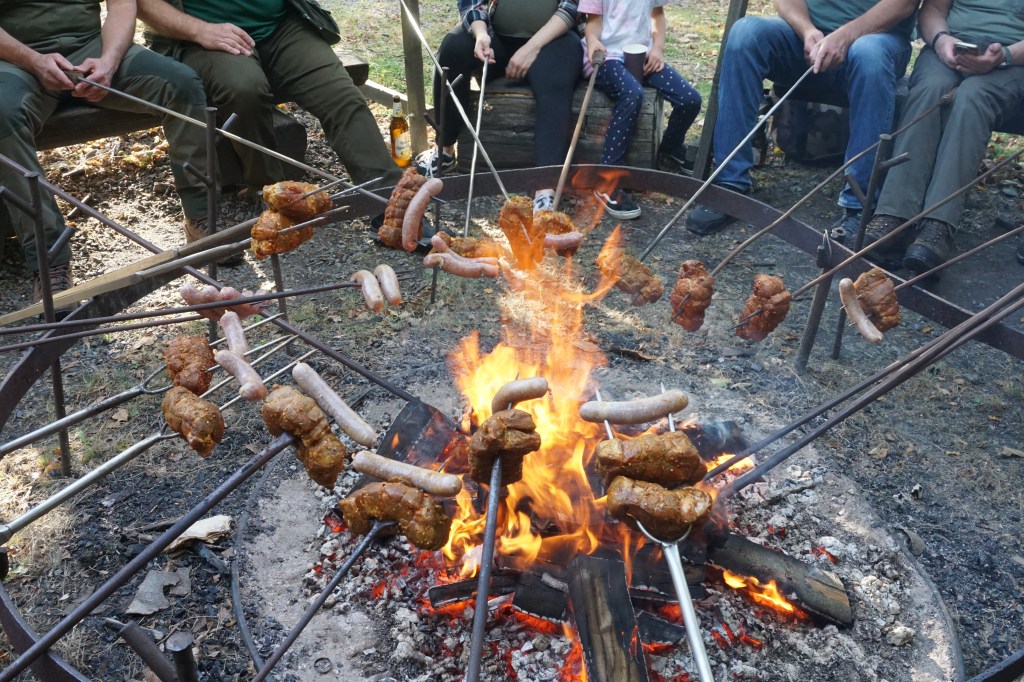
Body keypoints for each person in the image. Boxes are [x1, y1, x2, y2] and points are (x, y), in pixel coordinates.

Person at [0, 0, 212, 301]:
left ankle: (202, 218)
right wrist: (34, 61)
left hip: (93, 49)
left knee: (181, 85)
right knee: (2, 115)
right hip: (15, 62)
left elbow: (123, 4)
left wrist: (109, 62)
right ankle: (50, 261)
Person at [137, 0, 403, 216]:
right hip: (203, 33)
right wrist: (199, 31)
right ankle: (271, 194)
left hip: (280, 24)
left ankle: (392, 205)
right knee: (244, 90)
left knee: (341, 95)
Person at [684, 0, 918, 237]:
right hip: (806, 39)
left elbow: (903, 4)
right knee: (746, 33)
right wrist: (806, 30)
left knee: (870, 54)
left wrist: (844, 36)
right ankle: (729, 184)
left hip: (877, 39)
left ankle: (859, 206)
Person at [864, 0, 1024, 274]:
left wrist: (1004, 56)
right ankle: (894, 215)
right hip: (952, 47)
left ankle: (938, 225)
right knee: (931, 89)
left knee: (973, 98)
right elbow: (934, 10)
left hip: (1013, 60)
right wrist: (941, 40)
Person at [416, 0, 583, 213]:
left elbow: (571, 8)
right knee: (452, 48)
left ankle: (545, 187)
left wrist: (531, 48)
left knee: (556, 78)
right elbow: (472, 3)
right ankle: (445, 149)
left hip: (554, 40)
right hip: (497, 37)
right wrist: (480, 33)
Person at [580, 0, 702, 220]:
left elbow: (657, 15)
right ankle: (607, 180)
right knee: (632, 94)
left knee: (690, 99)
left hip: (640, 56)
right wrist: (592, 42)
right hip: (606, 56)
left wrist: (657, 48)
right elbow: (593, 23)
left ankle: (670, 149)